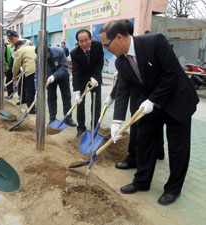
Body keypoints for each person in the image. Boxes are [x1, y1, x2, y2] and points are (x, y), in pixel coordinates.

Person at [99, 20, 199, 205]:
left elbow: (171, 74)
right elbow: (123, 90)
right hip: (150, 103)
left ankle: (173, 189)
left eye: (107, 45)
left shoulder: (155, 42)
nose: (107, 50)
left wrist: (153, 100)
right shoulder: (121, 62)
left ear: (119, 38)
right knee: (144, 141)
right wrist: (116, 122)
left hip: (177, 100)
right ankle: (142, 181)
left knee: (177, 149)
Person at [105, 19, 165, 170]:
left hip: (156, 94)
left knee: (152, 124)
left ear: (122, 35)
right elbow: (122, 84)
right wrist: (116, 120)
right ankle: (134, 157)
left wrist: (152, 99)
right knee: (136, 123)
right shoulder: (122, 58)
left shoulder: (147, 46)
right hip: (137, 94)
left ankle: (156, 151)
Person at [70, 29, 104, 137]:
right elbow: (75, 72)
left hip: (95, 78)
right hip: (82, 80)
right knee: (80, 104)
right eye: (81, 41)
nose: (84, 44)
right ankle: (81, 127)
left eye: (86, 40)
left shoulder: (98, 46)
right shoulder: (74, 53)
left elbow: (100, 63)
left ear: (91, 39)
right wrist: (76, 91)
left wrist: (95, 77)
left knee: (96, 104)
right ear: (78, 42)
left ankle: (95, 128)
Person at [35, 46, 76, 126]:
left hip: (63, 77)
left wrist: (54, 76)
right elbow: (37, 75)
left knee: (66, 97)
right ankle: (52, 119)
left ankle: (68, 119)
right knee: (51, 98)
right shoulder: (38, 59)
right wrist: (37, 89)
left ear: (48, 52)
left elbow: (64, 67)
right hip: (49, 79)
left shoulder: (59, 51)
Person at [6, 30, 33, 105]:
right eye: (10, 39)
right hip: (20, 67)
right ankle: (22, 98)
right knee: (21, 83)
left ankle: (29, 101)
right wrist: (19, 70)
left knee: (29, 85)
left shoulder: (26, 42)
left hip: (30, 66)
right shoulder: (12, 48)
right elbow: (15, 60)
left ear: (16, 36)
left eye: (12, 38)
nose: (11, 40)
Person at [12, 40, 36, 113]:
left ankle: (31, 109)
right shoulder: (33, 47)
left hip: (30, 71)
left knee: (29, 90)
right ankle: (38, 107)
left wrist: (14, 75)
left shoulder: (20, 50)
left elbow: (16, 65)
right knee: (37, 90)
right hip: (40, 70)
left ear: (18, 46)